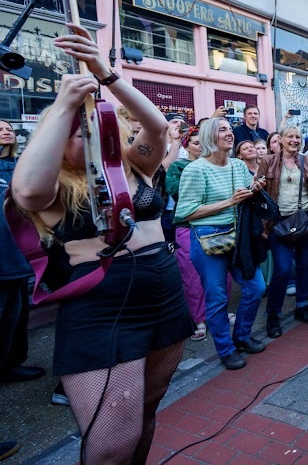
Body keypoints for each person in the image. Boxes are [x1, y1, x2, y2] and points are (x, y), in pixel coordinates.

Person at [11, 25, 193, 462]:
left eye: (93, 123)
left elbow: (156, 125)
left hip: (163, 291)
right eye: (77, 129)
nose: (89, 132)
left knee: (147, 411)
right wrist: (63, 104)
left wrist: (106, 73)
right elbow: (27, 193)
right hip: (103, 307)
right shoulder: (52, 188)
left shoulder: (131, 166)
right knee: (112, 442)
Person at [175, 117, 267, 371]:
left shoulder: (238, 165)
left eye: (229, 129)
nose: (229, 133)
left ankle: (242, 336)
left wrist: (254, 189)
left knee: (256, 287)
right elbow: (187, 212)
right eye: (222, 130)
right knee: (217, 298)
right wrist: (229, 202)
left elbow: (243, 196)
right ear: (209, 137)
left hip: (238, 238)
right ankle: (226, 350)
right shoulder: (195, 169)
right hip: (207, 241)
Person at [260, 124, 308, 333]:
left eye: (298, 137)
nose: (295, 140)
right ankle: (273, 315)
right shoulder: (268, 161)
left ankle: (302, 306)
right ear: (280, 139)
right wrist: (263, 226)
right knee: (283, 269)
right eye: (291, 136)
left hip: (304, 219)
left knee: (305, 266)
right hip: (278, 221)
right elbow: (259, 194)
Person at [0, 119, 45, 384]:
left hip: (18, 255)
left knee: (15, 316)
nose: (6, 131)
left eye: (8, 128)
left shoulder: (20, 167)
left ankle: (9, 365)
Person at [165, 126, 208, 342]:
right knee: (191, 274)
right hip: (187, 225)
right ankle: (199, 318)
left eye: (203, 141)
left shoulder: (215, 164)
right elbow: (175, 190)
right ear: (186, 146)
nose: (200, 146)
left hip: (214, 224)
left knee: (221, 272)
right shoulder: (178, 167)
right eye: (195, 143)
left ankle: (216, 312)